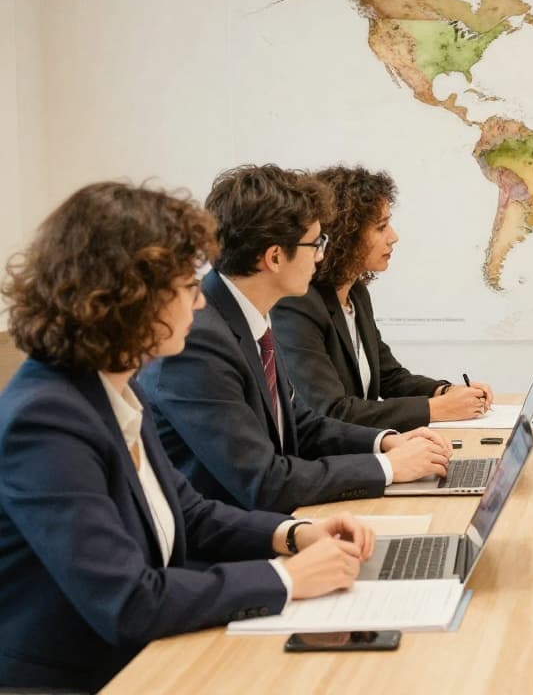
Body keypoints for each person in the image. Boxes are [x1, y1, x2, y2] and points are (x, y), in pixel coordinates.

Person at [0, 182, 377, 691]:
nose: (200, 303)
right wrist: (288, 579)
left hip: (149, 654)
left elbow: (190, 513)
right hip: (83, 677)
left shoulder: (111, 386)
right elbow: (129, 602)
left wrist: (293, 534)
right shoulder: (45, 420)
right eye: (187, 286)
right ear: (130, 297)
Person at [138, 165, 451, 513]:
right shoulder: (197, 343)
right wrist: (388, 468)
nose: (321, 255)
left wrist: (386, 443)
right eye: (316, 244)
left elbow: (301, 424)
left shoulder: (248, 318)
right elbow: (264, 482)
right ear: (274, 257)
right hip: (232, 544)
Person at [272, 165, 493, 432]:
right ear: (346, 235)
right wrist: (437, 409)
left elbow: (390, 377)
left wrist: (444, 391)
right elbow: (331, 410)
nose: (394, 237)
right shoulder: (298, 305)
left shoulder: (356, 294)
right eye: (381, 227)